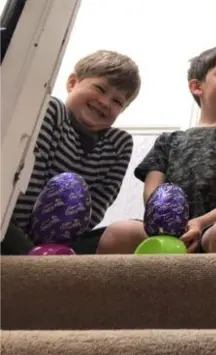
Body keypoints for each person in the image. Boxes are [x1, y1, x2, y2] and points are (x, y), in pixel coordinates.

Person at [98, 45, 216, 254]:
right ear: (196, 86)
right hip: (162, 229)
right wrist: (169, 223)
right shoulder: (168, 141)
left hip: (215, 229)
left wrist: (200, 223)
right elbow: (152, 190)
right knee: (118, 232)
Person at [1, 50, 141, 255]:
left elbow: (93, 210)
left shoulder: (119, 144)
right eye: (100, 88)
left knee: (133, 232)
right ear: (72, 83)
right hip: (12, 229)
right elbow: (25, 189)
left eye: (117, 102)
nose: (105, 102)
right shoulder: (51, 111)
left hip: (66, 241)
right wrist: (30, 251)